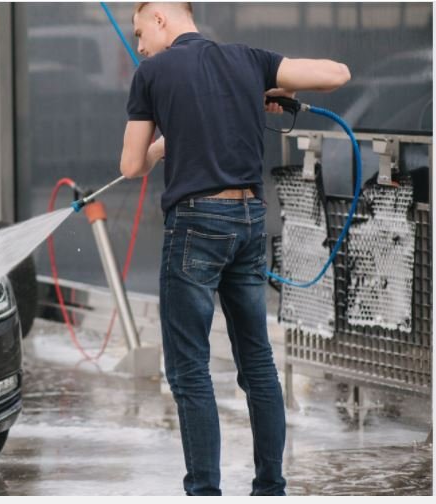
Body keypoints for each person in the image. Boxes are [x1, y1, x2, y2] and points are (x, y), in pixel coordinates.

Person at [117, 2, 351, 496]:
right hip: (247, 221)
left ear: (161, 18)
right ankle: (270, 486)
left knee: (188, 369)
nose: (139, 46)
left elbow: (132, 165)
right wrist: (272, 86)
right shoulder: (249, 58)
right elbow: (337, 73)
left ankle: (204, 491)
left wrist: (162, 144)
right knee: (258, 363)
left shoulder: (152, 74)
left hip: (196, 226)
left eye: (140, 33)